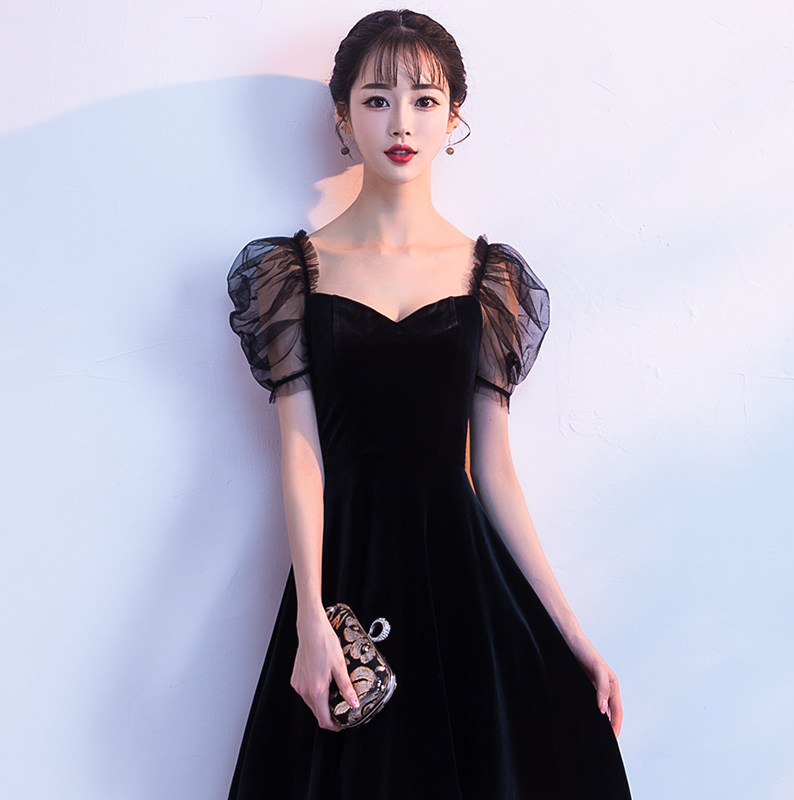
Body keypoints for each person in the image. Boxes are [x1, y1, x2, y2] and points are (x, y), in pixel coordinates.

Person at [226, 9, 631, 799]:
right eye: (377, 99)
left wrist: (574, 633)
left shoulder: (490, 278)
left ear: (453, 117)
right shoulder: (290, 274)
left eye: (424, 100)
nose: (401, 122)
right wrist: (311, 616)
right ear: (343, 116)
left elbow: (494, 471)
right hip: (348, 574)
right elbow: (302, 456)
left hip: (462, 579)